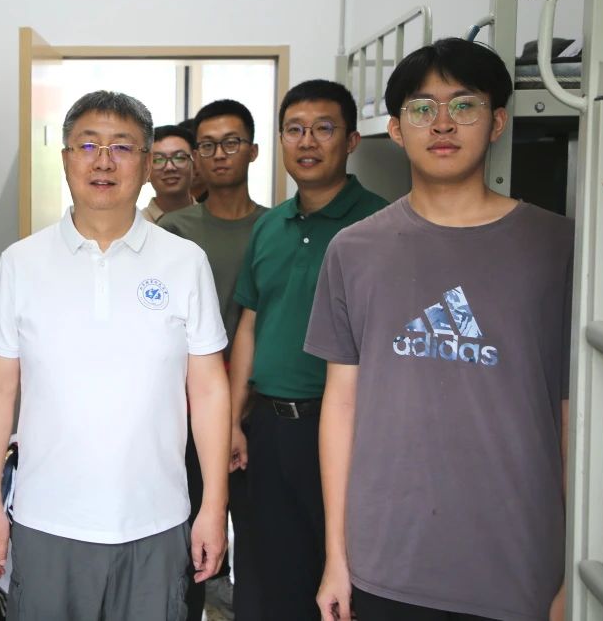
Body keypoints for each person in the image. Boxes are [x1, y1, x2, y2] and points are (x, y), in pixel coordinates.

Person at [306, 38, 569, 621]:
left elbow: (573, 410)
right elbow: (341, 407)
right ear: (396, 130)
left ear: (497, 122)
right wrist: (336, 558)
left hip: (519, 562)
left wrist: (573, 566)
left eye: (464, 105)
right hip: (387, 561)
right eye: (422, 109)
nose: (443, 124)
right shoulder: (353, 249)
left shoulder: (558, 246)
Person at [0, 90, 231, 621]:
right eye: (88, 145)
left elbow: (208, 389)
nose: (104, 162)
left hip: (157, 520)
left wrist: (213, 506)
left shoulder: (185, 262)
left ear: (147, 162)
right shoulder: (20, 263)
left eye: (123, 147)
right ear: (66, 158)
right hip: (46, 520)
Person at [229, 80, 387, 620]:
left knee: (343, 578)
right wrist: (234, 420)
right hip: (269, 428)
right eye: (294, 130)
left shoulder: (382, 226)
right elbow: (250, 324)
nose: (307, 142)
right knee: (269, 573)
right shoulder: (269, 226)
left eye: (323, 129)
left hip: (345, 430)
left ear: (352, 140)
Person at [159, 99, 268, 619]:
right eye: (207, 145)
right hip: (188, 406)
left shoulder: (275, 226)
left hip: (258, 406)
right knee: (187, 545)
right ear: (197, 157)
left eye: (231, 143)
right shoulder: (174, 229)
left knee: (260, 542)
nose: (220, 154)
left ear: (252, 150)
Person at [143, 124, 196, 224]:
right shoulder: (132, 227)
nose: (169, 167)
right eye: (158, 159)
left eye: (179, 157)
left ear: (195, 164)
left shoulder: (213, 221)